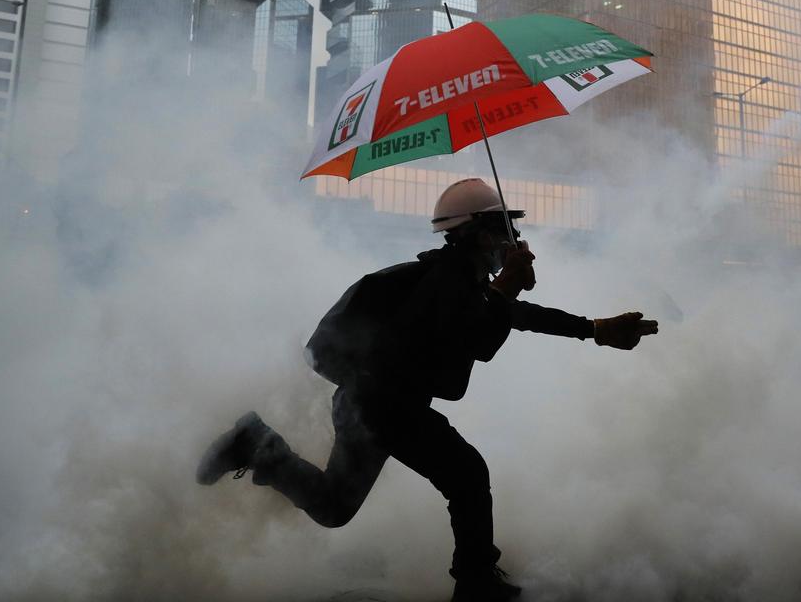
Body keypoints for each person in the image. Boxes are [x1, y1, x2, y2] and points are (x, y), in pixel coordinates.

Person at [195, 178, 659, 602]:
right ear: (474, 233)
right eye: (500, 229)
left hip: (375, 404)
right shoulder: (447, 280)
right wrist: (506, 289)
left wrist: (593, 328)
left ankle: (259, 446)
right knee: (467, 474)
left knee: (336, 506)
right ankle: (476, 582)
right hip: (382, 405)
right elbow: (473, 337)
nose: (510, 241)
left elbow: (511, 318)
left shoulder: (460, 277)